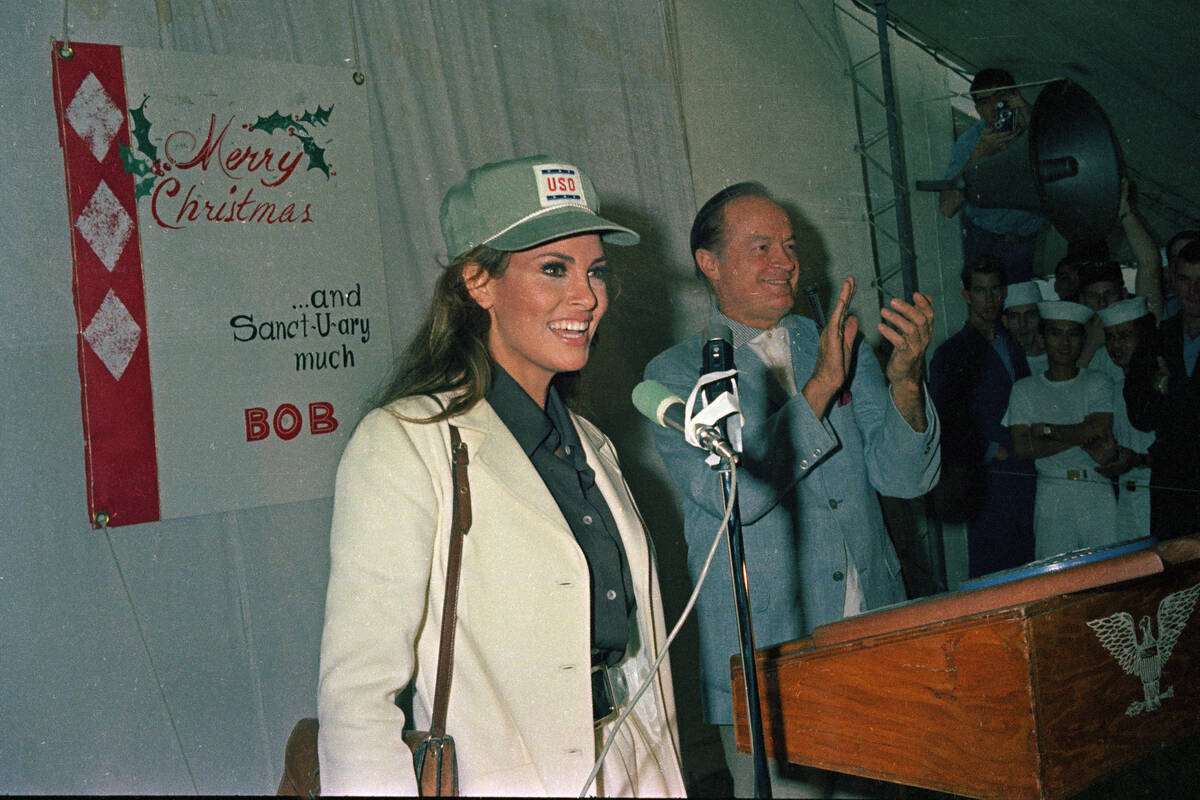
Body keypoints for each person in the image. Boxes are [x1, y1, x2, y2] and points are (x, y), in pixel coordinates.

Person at [317, 155, 686, 796]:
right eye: (553, 269)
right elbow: (357, 695)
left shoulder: (592, 443)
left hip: (629, 765)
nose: (587, 297)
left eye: (596, 271)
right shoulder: (406, 442)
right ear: (478, 283)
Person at [643, 182, 940, 797]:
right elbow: (737, 498)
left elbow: (906, 478)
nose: (785, 261)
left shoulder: (833, 346)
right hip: (767, 660)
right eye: (760, 246)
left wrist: (906, 380)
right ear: (710, 262)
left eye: (789, 244)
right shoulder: (678, 373)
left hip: (872, 631)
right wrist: (820, 388)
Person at [930, 259, 1035, 577]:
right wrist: (991, 450)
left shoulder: (1013, 344)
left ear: (1003, 293)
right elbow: (945, 420)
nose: (989, 300)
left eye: (994, 291)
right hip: (987, 479)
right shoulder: (951, 352)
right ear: (966, 295)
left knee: (1032, 562)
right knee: (996, 571)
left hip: (1027, 471)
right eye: (980, 291)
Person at [1004, 301, 1118, 558]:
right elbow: (1022, 447)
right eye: (1056, 333)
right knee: (1056, 576)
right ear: (1042, 339)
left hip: (1096, 488)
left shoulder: (1097, 382)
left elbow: (1099, 427)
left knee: (1107, 572)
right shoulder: (1025, 389)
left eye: (1073, 333)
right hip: (1052, 494)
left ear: (1082, 339)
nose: (1065, 342)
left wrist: (1045, 430)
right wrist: (1082, 434)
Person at [1124, 240, 1200, 541]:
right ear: (1172, 281)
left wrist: (1173, 393)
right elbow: (1139, 416)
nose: (1194, 292)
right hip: (1171, 482)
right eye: (1185, 280)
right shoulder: (1157, 339)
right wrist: (1161, 387)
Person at [940, 68, 1044, 284]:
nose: (995, 108)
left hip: (1027, 240)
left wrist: (1032, 121)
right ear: (977, 108)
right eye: (985, 102)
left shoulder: (1036, 127)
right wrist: (980, 155)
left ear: (1015, 95)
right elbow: (947, 206)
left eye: (1000, 98)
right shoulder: (971, 142)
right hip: (986, 241)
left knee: (1020, 309)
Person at [1097, 297, 1156, 539]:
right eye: (1110, 336)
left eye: (1125, 335)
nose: (1116, 345)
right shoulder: (1114, 388)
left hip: (1157, 498)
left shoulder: (1163, 384)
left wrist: (1137, 459)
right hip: (1126, 503)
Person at [1003, 280, 1047, 375]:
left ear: (1041, 317)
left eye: (1030, 315)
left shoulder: (1058, 360)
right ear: (1005, 321)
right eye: (1014, 316)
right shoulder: (1002, 365)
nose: (1023, 323)